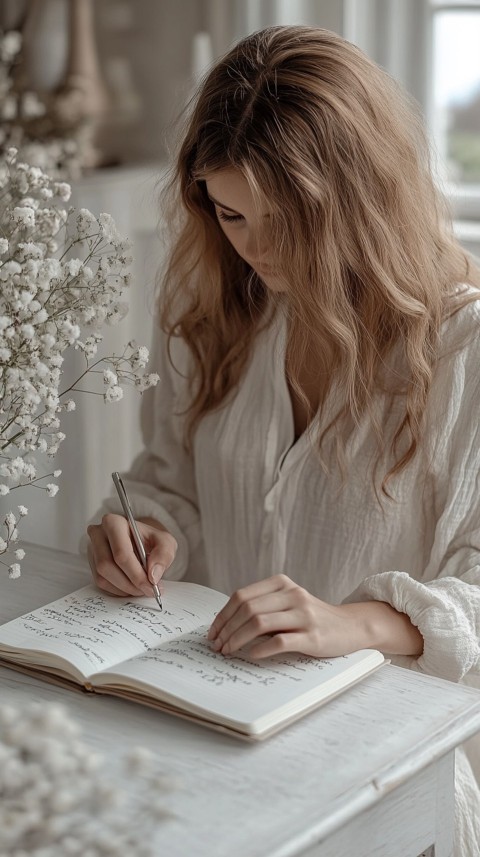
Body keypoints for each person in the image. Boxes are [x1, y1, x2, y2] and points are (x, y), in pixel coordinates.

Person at [85, 25, 480, 853]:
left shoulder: (462, 348)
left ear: (359, 201)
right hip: (218, 743)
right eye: (229, 214)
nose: (255, 249)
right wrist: (152, 528)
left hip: (388, 778)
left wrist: (357, 622)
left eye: (285, 221)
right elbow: (175, 481)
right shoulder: (216, 313)